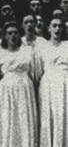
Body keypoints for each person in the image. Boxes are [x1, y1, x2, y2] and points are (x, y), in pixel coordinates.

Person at [0, 21, 39, 147]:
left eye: (15, 33)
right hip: (7, 90)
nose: (13, 36)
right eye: (9, 33)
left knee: (24, 119)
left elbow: (35, 74)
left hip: (24, 88)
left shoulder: (27, 51)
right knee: (8, 119)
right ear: (4, 36)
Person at [37, 16, 68, 147]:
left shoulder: (67, 46)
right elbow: (38, 70)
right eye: (54, 25)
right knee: (49, 117)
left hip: (64, 83)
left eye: (60, 26)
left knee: (63, 115)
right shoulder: (42, 46)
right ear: (48, 28)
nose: (57, 29)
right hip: (48, 85)